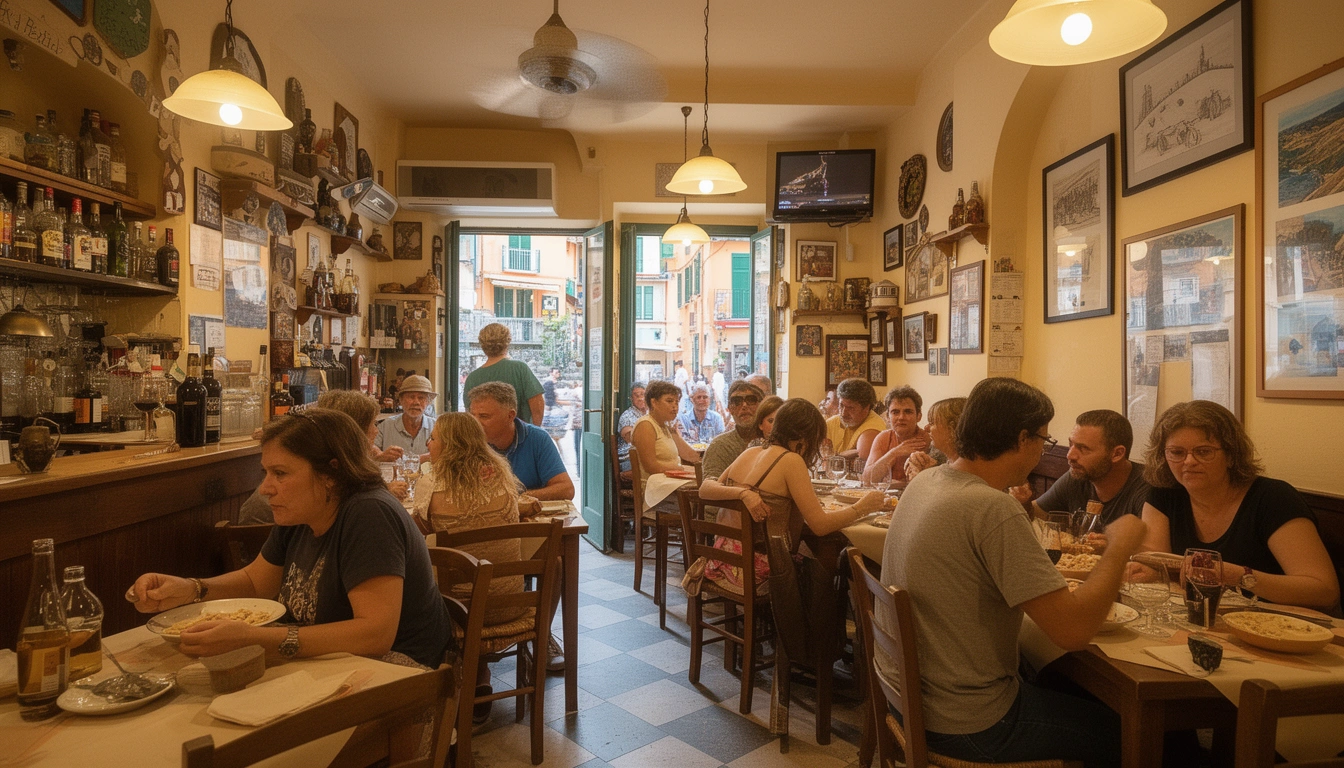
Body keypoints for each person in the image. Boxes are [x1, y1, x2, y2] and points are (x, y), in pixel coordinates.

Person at [879, 377, 1146, 768]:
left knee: (1056, 681)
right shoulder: (991, 507)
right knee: (1131, 732)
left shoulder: (929, 480)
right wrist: (1119, 548)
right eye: (1045, 440)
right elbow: (1072, 632)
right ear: (1023, 439)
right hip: (970, 723)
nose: (1044, 450)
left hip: (906, 698)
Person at [128, 409, 451, 668]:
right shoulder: (300, 511)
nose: (267, 488)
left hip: (397, 669)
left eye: (280, 474)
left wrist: (257, 639)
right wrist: (191, 588)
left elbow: (374, 634)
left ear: (329, 474)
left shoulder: (368, 513)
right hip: (331, 660)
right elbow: (255, 583)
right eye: (266, 472)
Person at [1138, 400, 1338, 609]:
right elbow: (1157, 560)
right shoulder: (1164, 492)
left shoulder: (1273, 498)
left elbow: (1324, 591)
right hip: (1201, 619)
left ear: (1232, 456)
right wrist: (1142, 568)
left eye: (1204, 451)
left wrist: (1237, 575)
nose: (1188, 461)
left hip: (1279, 624)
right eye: (1177, 453)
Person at [412, 412, 537, 714]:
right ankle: (481, 672)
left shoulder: (431, 483)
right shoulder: (502, 474)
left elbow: (419, 535)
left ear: (451, 444)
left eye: (434, 437)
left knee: (418, 581)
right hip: (511, 604)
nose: (428, 442)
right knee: (493, 572)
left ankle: (427, 682)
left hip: (460, 612)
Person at [698, 399, 884, 592]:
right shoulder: (791, 460)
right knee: (827, 567)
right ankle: (816, 622)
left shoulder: (751, 451)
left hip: (722, 559)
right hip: (757, 568)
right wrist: (863, 507)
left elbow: (705, 489)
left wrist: (743, 492)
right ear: (804, 437)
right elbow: (820, 526)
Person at [239, 390, 407, 524]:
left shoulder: (350, 497)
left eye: (280, 473)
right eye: (372, 424)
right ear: (352, 430)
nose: (375, 431)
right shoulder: (295, 504)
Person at [1012, 409, 1151, 527]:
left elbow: (1152, 552)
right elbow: (1036, 513)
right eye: (1071, 444)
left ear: (1117, 454)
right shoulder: (1078, 476)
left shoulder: (1147, 488)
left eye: (1083, 448)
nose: (1070, 455)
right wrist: (1024, 503)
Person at [467, 382, 574, 502]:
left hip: (527, 517)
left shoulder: (537, 439)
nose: (475, 423)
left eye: (484, 416)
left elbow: (566, 489)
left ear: (510, 416)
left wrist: (515, 499)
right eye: (472, 416)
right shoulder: (466, 442)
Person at [631, 379, 702, 515]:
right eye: (669, 401)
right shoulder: (645, 425)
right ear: (654, 402)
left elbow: (691, 456)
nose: (675, 407)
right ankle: (702, 534)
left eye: (677, 402)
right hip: (655, 493)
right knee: (706, 496)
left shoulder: (665, 426)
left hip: (669, 485)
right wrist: (681, 468)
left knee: (708, 487)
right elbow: (651, 466)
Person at [464, 323, 545, 426]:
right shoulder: (520, 369)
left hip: (484, 439)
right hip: (520, 438)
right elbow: (537, 405)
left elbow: (471, 417)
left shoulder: (472, 378)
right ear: (507, 342)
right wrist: (534, 433)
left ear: (482, 345)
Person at [862, 386, 932, 484]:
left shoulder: (928, 440)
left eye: (908, 412)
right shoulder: (883, 438)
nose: (901, 417)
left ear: (919, 416)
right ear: (887, 416)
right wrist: (894, 453)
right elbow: (867, 480)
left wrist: (898, 484)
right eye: (895, 412)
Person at [701, 381, 764, 481]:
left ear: (762, 405)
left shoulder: (776, 441)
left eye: (751, 400)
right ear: (730, 409)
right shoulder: (720, 445)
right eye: (736, 401)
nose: (744, 406)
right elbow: (711, 487)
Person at [374, 374, 437, 464]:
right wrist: (381, 455)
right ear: (401, 400)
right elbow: (370, 447)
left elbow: (448, 454)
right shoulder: (385, 426)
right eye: (411, 397)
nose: (416, 402)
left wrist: (428, 457)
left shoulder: (437, 427)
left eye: (421, 398)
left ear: (428, 402)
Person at [903, 397, 966, 481]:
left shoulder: (969, 470)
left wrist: (920, 479)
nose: (926, 428)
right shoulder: (939, 453)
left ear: (952, 428)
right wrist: (922, 467)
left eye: (932, 423)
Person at [824, 378, 887, 458]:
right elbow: (820, 453)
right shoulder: (832, 422)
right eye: (841, 405)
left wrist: (834, 457)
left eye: (851, 408)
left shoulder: (874, 427)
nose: (843, 413)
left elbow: (862, 459)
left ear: (866, 408)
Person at [616, 382, 648, 472]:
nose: (640, 398)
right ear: (631, 399)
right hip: (629, 459)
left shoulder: (650, 414)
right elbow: (633, 440)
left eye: (642, 394)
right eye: (636, 396)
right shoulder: (627, 416)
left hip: (645, 456)